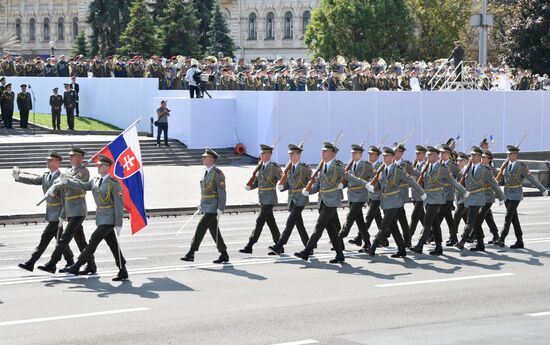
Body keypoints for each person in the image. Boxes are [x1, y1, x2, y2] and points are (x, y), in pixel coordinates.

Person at [61, 155, 128, 281]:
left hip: (109, 219)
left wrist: (118, 223)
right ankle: (123, 270)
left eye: (101, 165)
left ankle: (77, 265)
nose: (98, 166)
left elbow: (119, 204)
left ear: (108, 167)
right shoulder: (95, 180)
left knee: (93, 240)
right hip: (101, 218)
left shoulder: (114, 183)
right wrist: (67, 181)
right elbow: (83, 185)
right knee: (113, 244)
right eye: (98, 165)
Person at [37, 147, 96, 275]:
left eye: (72, 156)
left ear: (80, 158)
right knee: (80, 240)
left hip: (78, 208)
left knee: (64, 238)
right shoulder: (68, 170)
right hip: (69, 209)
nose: (70, 158)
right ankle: (91, 264)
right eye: (70, 156)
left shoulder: (84, 171)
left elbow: (81, 185)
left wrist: (67, 181)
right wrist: (54, 187)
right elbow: (62, 184)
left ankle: (52, 263)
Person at [13, 152, 75, 272]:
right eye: (48, 160)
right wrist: (18, 177)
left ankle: (32, 261)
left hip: (58, 214)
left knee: (45, 237)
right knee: (60, 239)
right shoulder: (46, 175)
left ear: (58, 162)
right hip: (50, 212)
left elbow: (65, 198)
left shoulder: (62, 177)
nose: (48, 162)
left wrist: (63, 215)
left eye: (51, 160)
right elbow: (34, 180)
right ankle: (70, 261)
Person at [365, 147, 426, 258]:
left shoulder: (398, 170)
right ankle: (402, 248)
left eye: (386, 156)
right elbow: (380, 185)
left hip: (395, 201)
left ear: (392, 157)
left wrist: (422, 192)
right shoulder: (382, 169)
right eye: (383, 156)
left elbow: (411, 181)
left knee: (384, 225)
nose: (384, 157)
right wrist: (371, 188)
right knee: (393, 226)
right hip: (385, 202)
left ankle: (372, 247)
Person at [294, 142, 346, 264]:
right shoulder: (322, 165)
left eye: (325, 151)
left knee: (319, 227)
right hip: (322, 201)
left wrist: (343, 184)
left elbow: (348, 177)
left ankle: (306, 252)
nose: (322, 152)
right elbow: (318, 185)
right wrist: (308, 191)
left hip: (331, 202)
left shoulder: (337, 166)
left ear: (332, 153)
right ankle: (340, 255)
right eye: (322, 151)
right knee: (331, 230)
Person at [410, 146, 468, 255]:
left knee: (427, 222)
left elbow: (453, 182)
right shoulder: (427, 166)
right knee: (436, 224)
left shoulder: (443, 168)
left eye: (430, 155)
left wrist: (464, 191)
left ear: (436, 156)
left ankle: (420, 245)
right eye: (427, 154)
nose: (427, 156)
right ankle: (439, 246)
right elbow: (421, 177)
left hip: (437, 198)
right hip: (428, 198)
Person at [181, 149, 229, 264]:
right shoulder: (204, 172)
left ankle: (191, 253)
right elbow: (204, 191)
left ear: (212, 159)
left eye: (205, 157)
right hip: (206, 206)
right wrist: (201, 205)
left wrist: (221, 208)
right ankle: (224, 254)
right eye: (203, 157)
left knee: (200, 228)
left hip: (213, 208)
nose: (203, 158)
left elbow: (222, 192)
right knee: (214, 231)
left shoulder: (218, 174)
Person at [496, 145, 548, 248]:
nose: (508, 155)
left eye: (510, 154)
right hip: (507, 194)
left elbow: (532, 178)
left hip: (516, 194)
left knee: (508, 216)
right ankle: (520, 241)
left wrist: (542, 189)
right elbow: (500, 178)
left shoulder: (521, 166)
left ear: (515, 155)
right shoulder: (505, 165)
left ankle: (501, 238)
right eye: (507, 154)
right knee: (514, 218)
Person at [455, 146, 504, 252]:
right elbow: (461, 177)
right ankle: (481, 243)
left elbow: (493, 184)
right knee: (476, 221)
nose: (471, 157)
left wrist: (501, 197)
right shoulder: (468, 167)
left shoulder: (485, 169)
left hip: (478, 197)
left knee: (470, 219)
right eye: (471, 155)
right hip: (469, 197)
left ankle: (462, 241)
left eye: (474, 155)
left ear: (479, 156)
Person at [269, 144, 312, 255]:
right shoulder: (290, 168)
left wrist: (307, 190)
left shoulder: (304, 167)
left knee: (290, 222)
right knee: (299, 224)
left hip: (300, 199)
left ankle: (279, 245)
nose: (290, 155)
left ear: (298, 154)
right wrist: (282, 187)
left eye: (292, 154)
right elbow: (289, 184)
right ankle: (309, 246)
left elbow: (313, 181)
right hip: (292, 199)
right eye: (289, 154)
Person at [240, 144, 282, 254]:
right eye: (261, 153)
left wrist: (283, 185)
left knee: (259, 221)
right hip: (262, 198)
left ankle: (250, 245)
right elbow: (258, 183)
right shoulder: (260, 166)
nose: (261, 155)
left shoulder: (274, 166)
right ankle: (279, 245)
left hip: (270, 198)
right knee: (271, 222)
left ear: (269, 154)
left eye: (263, 153)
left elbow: (283, 178)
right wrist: (250, 186)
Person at [338, 144, 375, 248]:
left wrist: (371, 187)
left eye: (355, 153)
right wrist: (342, 185)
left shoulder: (366, 165)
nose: (353, 155)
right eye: (352, 153)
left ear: (360, 154)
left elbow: (375, 177)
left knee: (349, 218)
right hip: (351, 196)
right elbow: (349, 180)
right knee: (360, 222)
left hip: (360, 196)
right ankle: (367, 243)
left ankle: (340, 236)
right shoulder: (350, 166)